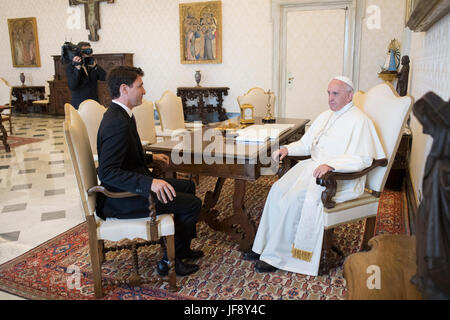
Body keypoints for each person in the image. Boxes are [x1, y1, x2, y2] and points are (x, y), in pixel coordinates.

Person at [244, 76, 385, 276]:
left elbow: (362, 159)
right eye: (328, 93)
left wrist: (332, 165)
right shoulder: (325, 115)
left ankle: (278, 256)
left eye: (335, 93)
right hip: (312, 168)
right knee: (277, 189)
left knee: (294, 199)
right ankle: (264, 246)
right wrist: (287, 149)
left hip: (337, 178)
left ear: (349, 95)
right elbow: (306, 144)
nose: (330, 98)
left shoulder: (360, 121)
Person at [96, 66, 203, 276]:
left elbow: (124, 156)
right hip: (121, 198)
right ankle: (169, 261)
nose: (144, 91)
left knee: (189, 186)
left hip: (132, 188)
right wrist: (150, 183)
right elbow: (107, 172)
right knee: (192, 204)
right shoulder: (116, 122)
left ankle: (180, 249)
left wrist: (150, 158)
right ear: (124, 89)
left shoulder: (123, 115)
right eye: (140, 86)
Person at [65, 41, 106, 109]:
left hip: (94, 103)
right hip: (79, 104)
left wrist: (95, 67)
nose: (88, 53)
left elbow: (105, 77)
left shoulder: (91, 64)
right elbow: (73, 86)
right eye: (85, 51)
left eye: (89, 51)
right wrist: (77, 69)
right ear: (79, 53)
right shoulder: (71, 67)